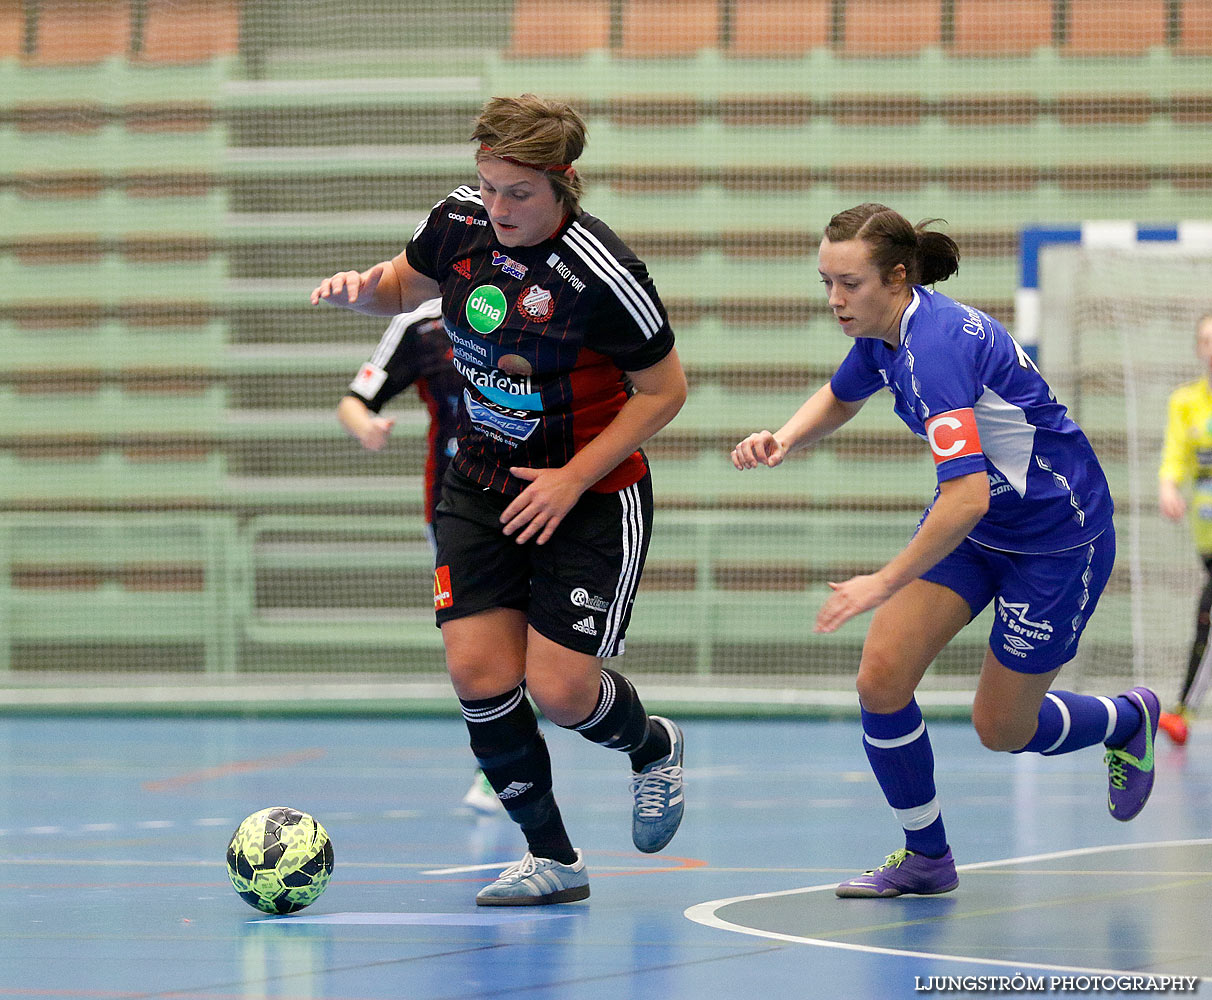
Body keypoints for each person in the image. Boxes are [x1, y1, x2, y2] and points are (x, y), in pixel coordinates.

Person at [312, 94, 689, 906]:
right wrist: (359, 291)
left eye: (518, 192)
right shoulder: (457, 222)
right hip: (479, 481)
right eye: (489, 187)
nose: (499, 207)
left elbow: (664, 392)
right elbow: (398, 286)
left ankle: (652, 746)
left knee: (559, 690)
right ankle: (553, 858)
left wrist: (573, 478)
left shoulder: (603, 273)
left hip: (587, 494)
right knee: (478, 674)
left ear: (565, 183)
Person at [730, 203, 1159, 899]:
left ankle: (1126, 717)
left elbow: (966, 497)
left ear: (897, 278)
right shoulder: (883, 329)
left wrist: (883, 581)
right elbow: (842, 397)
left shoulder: (936, 347)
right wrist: (784, 438)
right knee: (881, 678)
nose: (835, 300)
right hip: (978, 531)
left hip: (1057, 539)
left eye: (850, 284)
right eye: (826, 282)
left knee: (1002, 728)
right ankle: (926, 856)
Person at [337, 298, 502, 813]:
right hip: (455, 507)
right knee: (479, 643)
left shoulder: (537, 296)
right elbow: (355, 399)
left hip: (539, 497)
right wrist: (365, 425)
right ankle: (497, 769)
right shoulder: (419, 325)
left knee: (540, 652)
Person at [1157, 312, 1212, 746]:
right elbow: (1176, 454)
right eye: (1206, 340)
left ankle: (1182, 711)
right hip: (1206, 533)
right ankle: (1182, 710)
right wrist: (1167, 485)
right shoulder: (1186, 401)